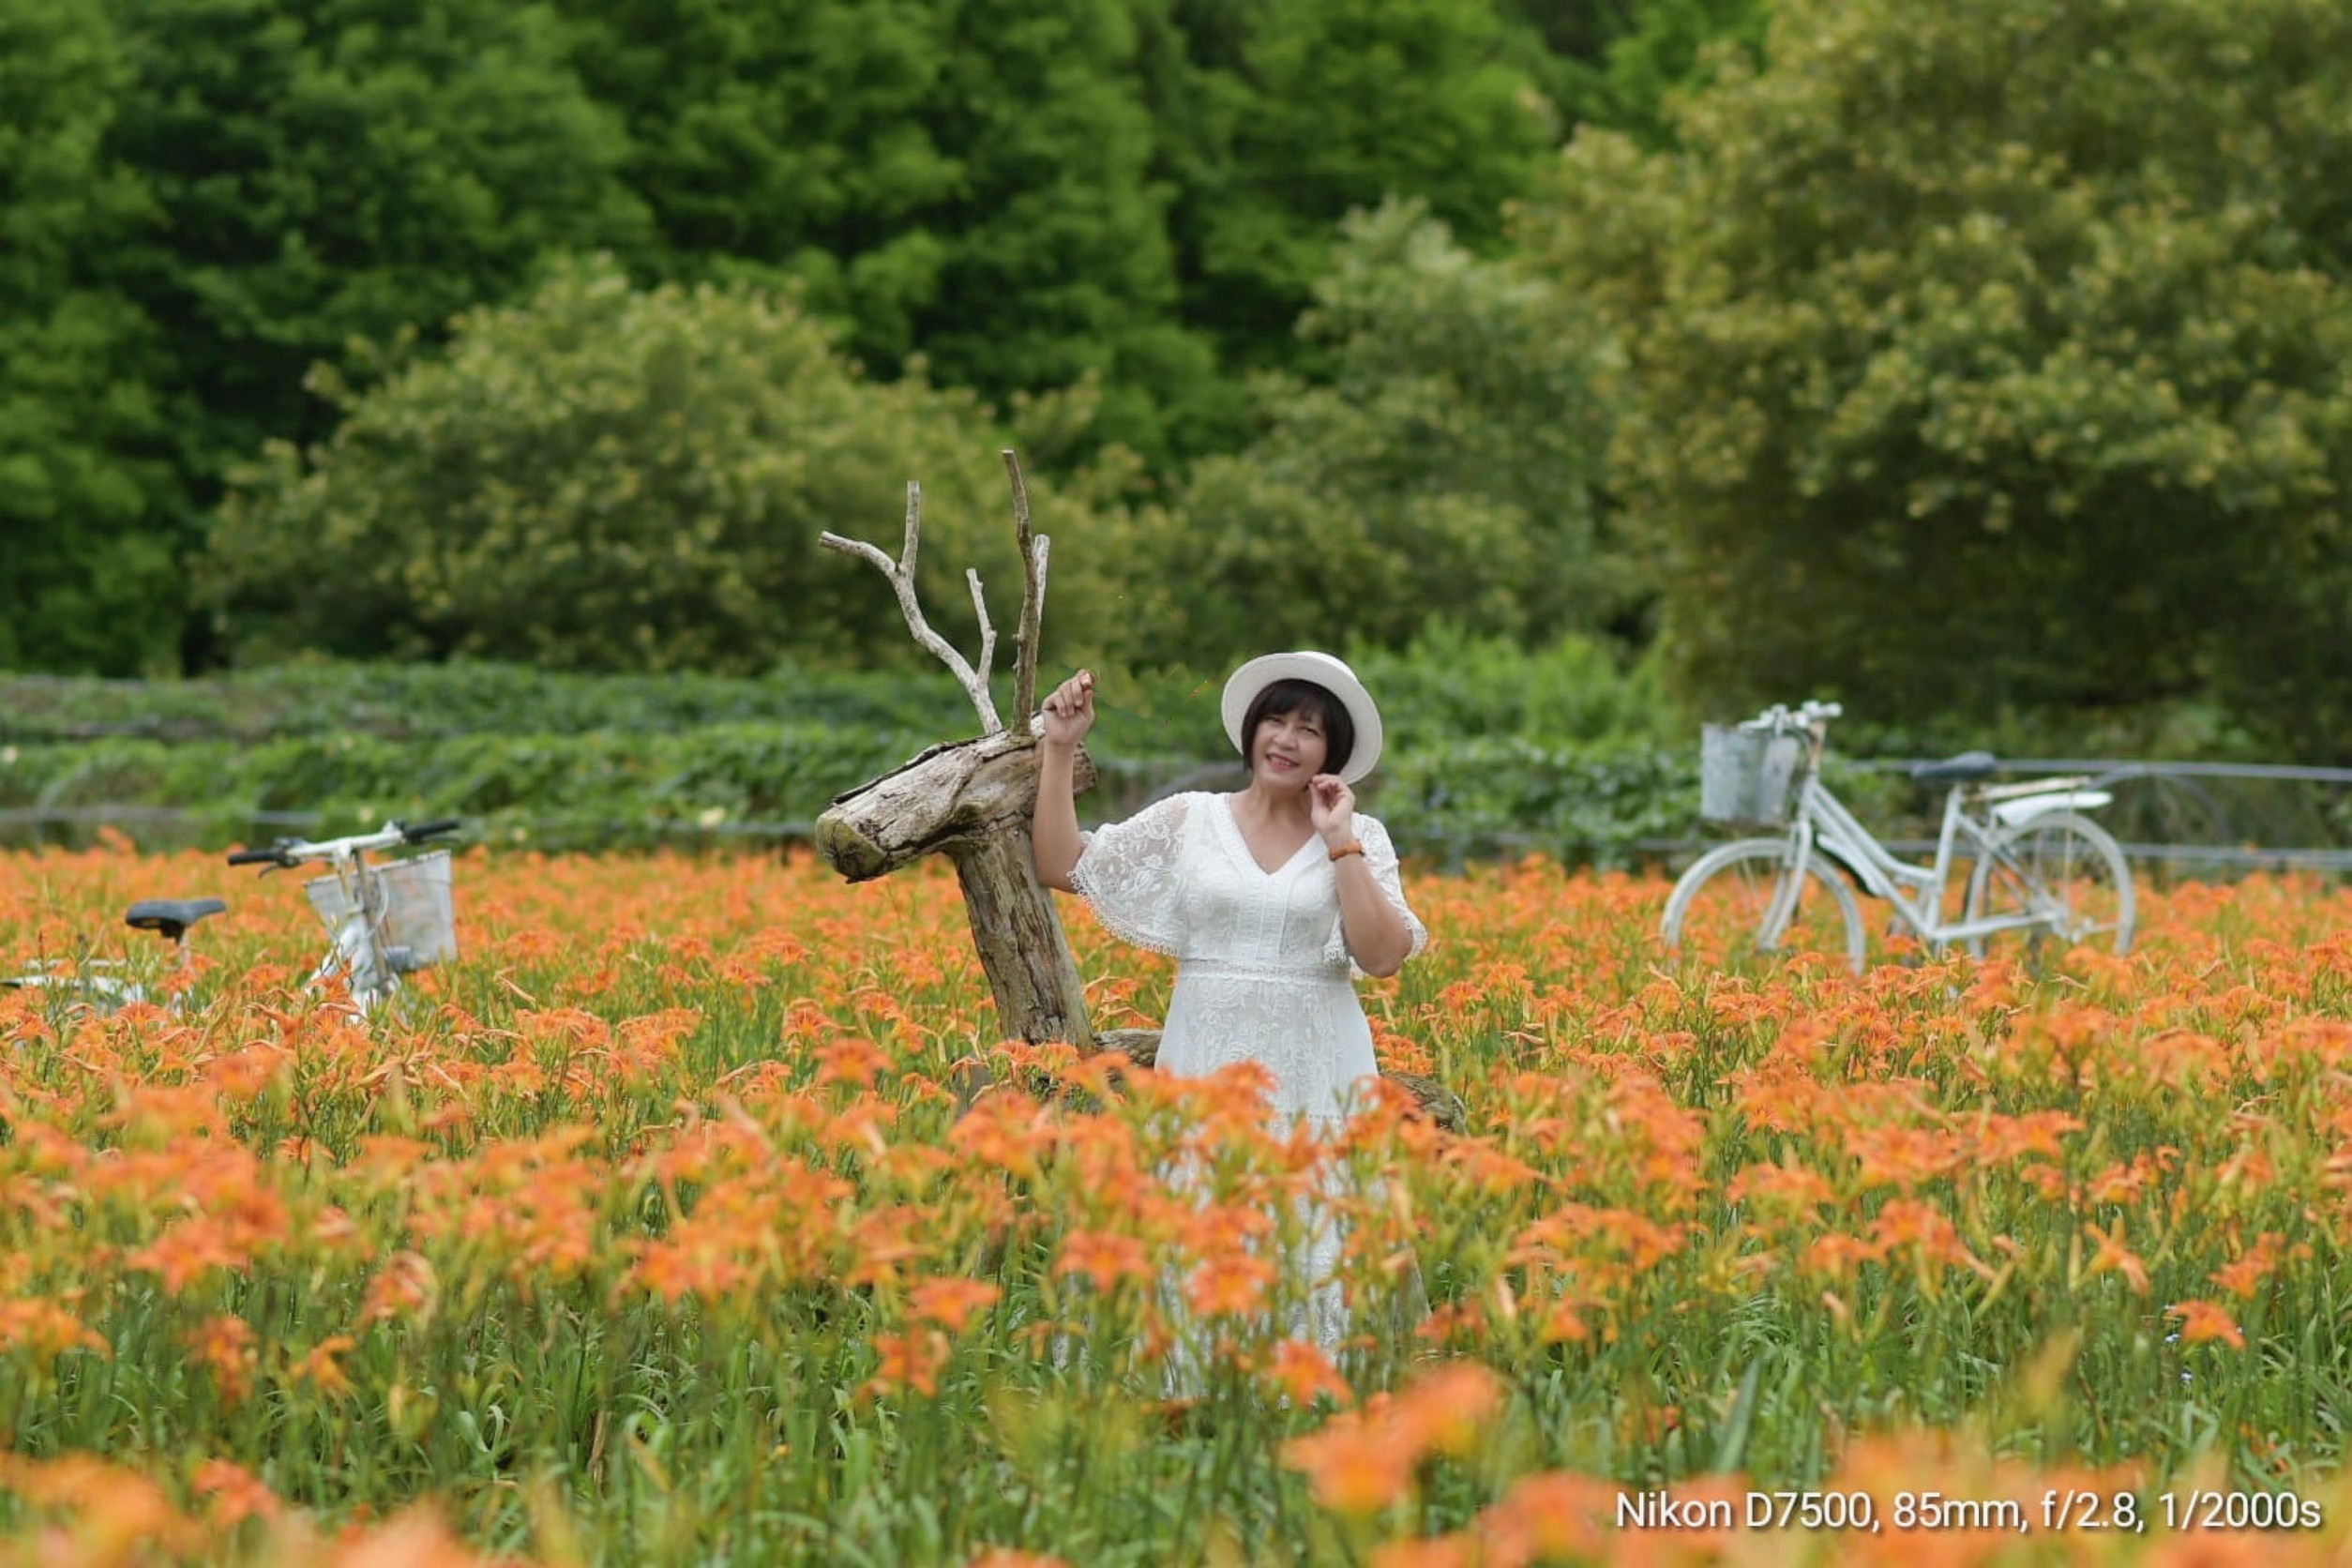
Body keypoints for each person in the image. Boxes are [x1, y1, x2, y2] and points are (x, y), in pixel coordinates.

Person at [1031, 650, 1428, 1365]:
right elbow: (1063, 864)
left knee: (1317, 1218)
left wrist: (1339, 844)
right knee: (1199, 1209)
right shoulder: (1191, 819)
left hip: (1318, 1066)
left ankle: (1314, 1399)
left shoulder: (1359, 837)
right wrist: (1060, 749)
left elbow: (1382, 956)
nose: (1287, 738)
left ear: (1331, 752)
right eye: (1275, 719)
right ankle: (1198, 1400)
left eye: (1309, 729)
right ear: (1251, 731)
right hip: (1207, 1056)